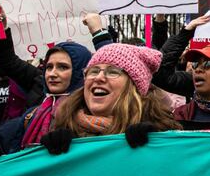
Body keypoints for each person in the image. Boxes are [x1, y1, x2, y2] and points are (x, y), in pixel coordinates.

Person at [39, 43, 181, 154]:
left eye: (112, 72)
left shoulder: (161, 132)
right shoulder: (64, 124)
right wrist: (51, 160)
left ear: (134, 87)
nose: (99, 77)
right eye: (93, 71)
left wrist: (157, 146)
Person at [0, 5, 92, 151]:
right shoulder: (39, 83)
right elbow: (8, 61)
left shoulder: (95, 105)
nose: (52, 74)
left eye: (63, 67)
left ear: (80, 72)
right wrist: (1, 27)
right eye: (49, 67)